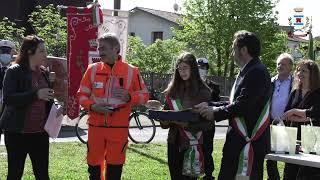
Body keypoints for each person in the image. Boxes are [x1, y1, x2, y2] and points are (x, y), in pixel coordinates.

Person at [194, 30, 272, 180]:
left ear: (243, 50)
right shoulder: (248, 70)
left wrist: (215, 112)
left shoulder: (257, 72)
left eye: (233, 48)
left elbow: (243, 105)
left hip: (248, 141)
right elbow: (235, 102)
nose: (232, 53)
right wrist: (210, 104)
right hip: (237, 142)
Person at [77, 33, 149, 180]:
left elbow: (145, 96)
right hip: (96, 128)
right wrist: (93, 107)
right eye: (98, 48)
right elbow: (81, 96)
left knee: (114, 172)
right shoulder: (92, 69)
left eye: (103, 48)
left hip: (118, 130)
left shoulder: (132, 71)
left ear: (116, 49)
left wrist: (130, 97)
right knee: (94, 171)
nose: (99, 51)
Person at [0, 35, 54, 180]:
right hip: (17, 133)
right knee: (15, 174)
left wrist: (57, 108)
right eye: (42, 51)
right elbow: (9, 98)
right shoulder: (14, 71)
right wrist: (36, 95)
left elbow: (46, 99)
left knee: (42, 175)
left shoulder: (44, 72)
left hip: (40, 133)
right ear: (30, 52)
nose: (45, 54)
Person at [160, 52, 213, 180]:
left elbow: (208, 123)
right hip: (174, 141)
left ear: (193, 69)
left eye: (185, 68)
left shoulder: (203, 91)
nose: (182, 72)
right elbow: (165, 118)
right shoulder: (172, 90)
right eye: (179, 69)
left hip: (193, 143)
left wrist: (188, 125)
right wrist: (164, 120)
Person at [282, 59, 320, 180]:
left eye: (304, 71)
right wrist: (303, 115)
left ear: (312, 74)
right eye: (298, 70)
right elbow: (285, 114)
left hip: (311, 140)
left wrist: (294, 112)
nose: (299, 73)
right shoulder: (295, 92)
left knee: (307, 175)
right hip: (293, 139)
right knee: (289, 173)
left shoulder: (317, 93)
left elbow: (315, 113)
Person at [267, 53, 294, 180]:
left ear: (290, 67)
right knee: (270, 154)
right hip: (271, 122)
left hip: (288, 123)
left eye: (283, 64)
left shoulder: (295, 83)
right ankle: (273, 177)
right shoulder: (270, 81)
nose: (279, 66)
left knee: (290, 153)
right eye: (278, 63)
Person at [197, 57, 220, 180]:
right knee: (195, 147)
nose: (201, 70)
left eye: (203, 68)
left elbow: (217, 104)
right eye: (199, 68)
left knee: (207, 148)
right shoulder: (191, 85)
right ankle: (194, 169)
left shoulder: (214, 86)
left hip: (208, 123)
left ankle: (208, 173)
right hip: (194, 122)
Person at [0, 39, 15, 142]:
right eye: (2, 51)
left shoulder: (17, 69)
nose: (5, 53)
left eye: (7, 51)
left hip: (11, 111)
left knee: (11, 142)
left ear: (12, 53)